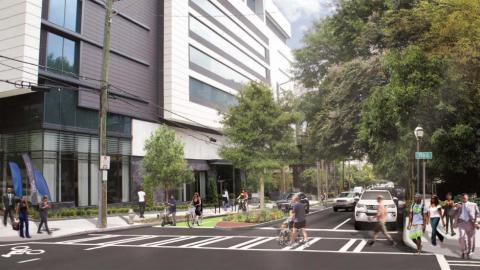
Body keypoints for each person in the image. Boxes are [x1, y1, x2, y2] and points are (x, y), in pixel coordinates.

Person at [453, 193, 479, 259]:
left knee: (470, 239)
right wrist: (454, 208)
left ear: (467, 198)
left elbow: (478, 214)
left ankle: (469, 252)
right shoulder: (458, 205)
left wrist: (477, 223)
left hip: (471, 223)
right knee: (462, 237)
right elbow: (451, 213)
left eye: (465, 197)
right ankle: (464, 251)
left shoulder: (473, 205)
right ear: (461, 198)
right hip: (461, 223)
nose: (464, 199)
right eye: (462, 198)